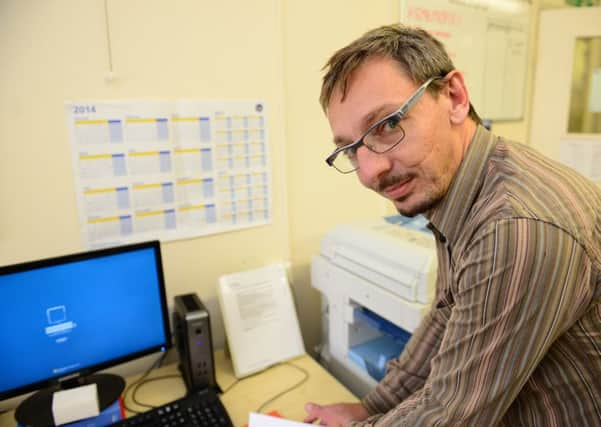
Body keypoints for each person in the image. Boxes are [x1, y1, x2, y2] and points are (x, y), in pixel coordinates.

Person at [303, 24, 601, 426]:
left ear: (455, 98)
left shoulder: (512, 226)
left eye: (388, 123)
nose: (372, 170)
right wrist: (370, 407)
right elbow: (447, 313)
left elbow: (450, 416)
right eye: (352, 149)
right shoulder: (464, 186)